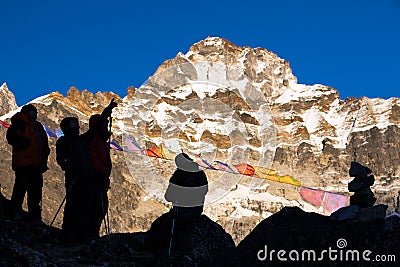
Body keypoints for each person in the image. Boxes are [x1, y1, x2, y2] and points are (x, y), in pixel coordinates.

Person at [6, 104, 50, 222]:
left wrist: (45, 153)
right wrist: (24, 143)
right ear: (27, 112)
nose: (35, 114)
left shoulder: (37, 126)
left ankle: (34, 215)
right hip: (24, 162)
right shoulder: (20, 122)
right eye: (33, 111)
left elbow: (43, 142)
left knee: (35, 191)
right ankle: (15, 211)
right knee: (21, 188)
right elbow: (11, 136)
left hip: (35, 164)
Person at [81, 99, 117, 239]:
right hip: (93, 178)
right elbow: (94, 158)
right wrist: (107, 111)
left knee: (100, 207)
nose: (106, 127)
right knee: (95, 207)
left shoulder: (101, 141)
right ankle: (89, 235)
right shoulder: (93, 138)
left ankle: (92, 234)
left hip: (100, 178)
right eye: (104, 124)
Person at [56, 116, 92, 243]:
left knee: (84, 205)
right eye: (73, 126)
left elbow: (93, 131)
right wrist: (68, 167)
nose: (76, 128)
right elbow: (60, 159)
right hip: (74, 176)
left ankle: (81, 234)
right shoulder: (64, 141)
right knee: (73, 205)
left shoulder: (81, 140)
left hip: (85, 176)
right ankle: (69, 234)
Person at [164, 153, 209, 227]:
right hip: (196, 211)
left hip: (180, 212)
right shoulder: (200, 174)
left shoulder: (178, 176)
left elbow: (168, 197)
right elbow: (204, 190)